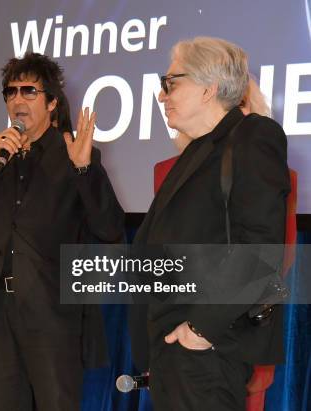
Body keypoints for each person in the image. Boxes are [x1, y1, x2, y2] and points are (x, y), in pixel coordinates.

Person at [0, 52, 124, 411]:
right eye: (10, 92)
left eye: (29, 91)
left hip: (52, 314)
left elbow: (110, 228)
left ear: (52, 101)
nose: (17, 100)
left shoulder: (75, 153)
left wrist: (85, 171)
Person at [131, 37, 290, 410]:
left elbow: (260, 246)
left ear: (209, 88)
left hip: (206, 349)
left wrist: (201, 328)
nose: (161, 95)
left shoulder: (252, 135)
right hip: (173, 351)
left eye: (171, 82)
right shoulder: (198, 150)